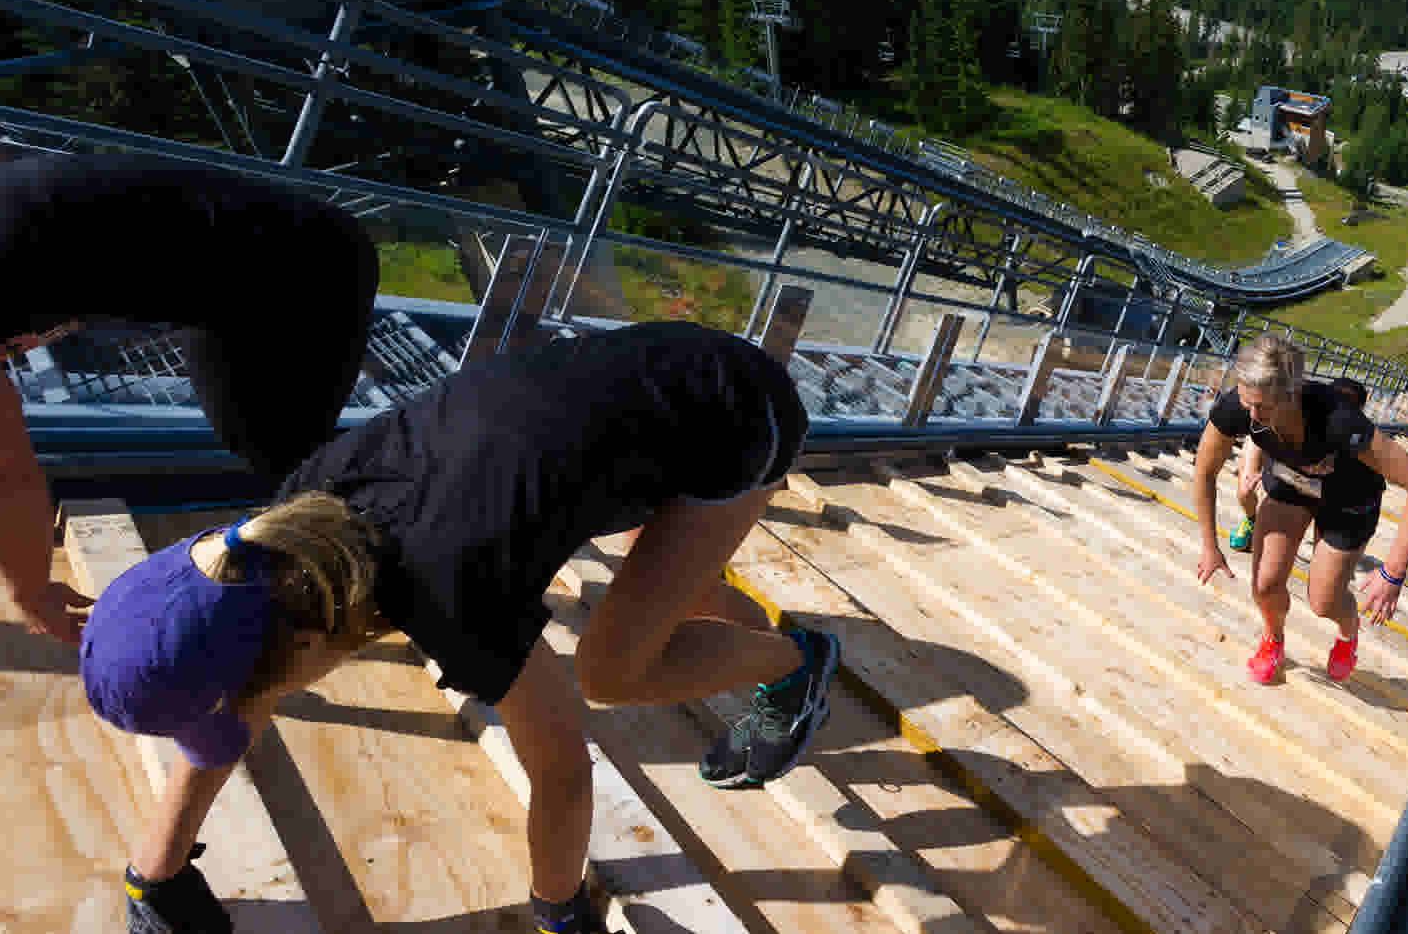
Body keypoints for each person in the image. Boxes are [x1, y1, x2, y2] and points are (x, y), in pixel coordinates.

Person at [75, 322, 838, 934]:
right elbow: (245, 684)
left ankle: (796, 663)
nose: (246, 713)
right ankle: (724, 613)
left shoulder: (450, 591)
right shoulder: (286, 528)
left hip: (734, 414)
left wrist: (558, 910)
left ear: (307, 645)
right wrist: (158, 873)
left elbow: (566, 774)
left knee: (613, 671)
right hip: (640, 390)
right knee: (667, 591)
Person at [0, 148, 380, 648]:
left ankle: (403, 563)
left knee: (291, 459)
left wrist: (30, 592)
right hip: (234, 273)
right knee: (247, 433)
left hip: (306, 268)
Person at [1191, 335, 1408, 685]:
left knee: (1324, 601)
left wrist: (1392, 572)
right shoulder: (1243, 406)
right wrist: (1208, 544)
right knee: (1263, 584)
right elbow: (1204, 470)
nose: (1253, 416)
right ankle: (1273, 639)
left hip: (1348, 498)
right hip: (1292, 484)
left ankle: (1347, 632)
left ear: (1292, 394)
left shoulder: (1339, 419)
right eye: (1248, 404)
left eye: (1263, 407)